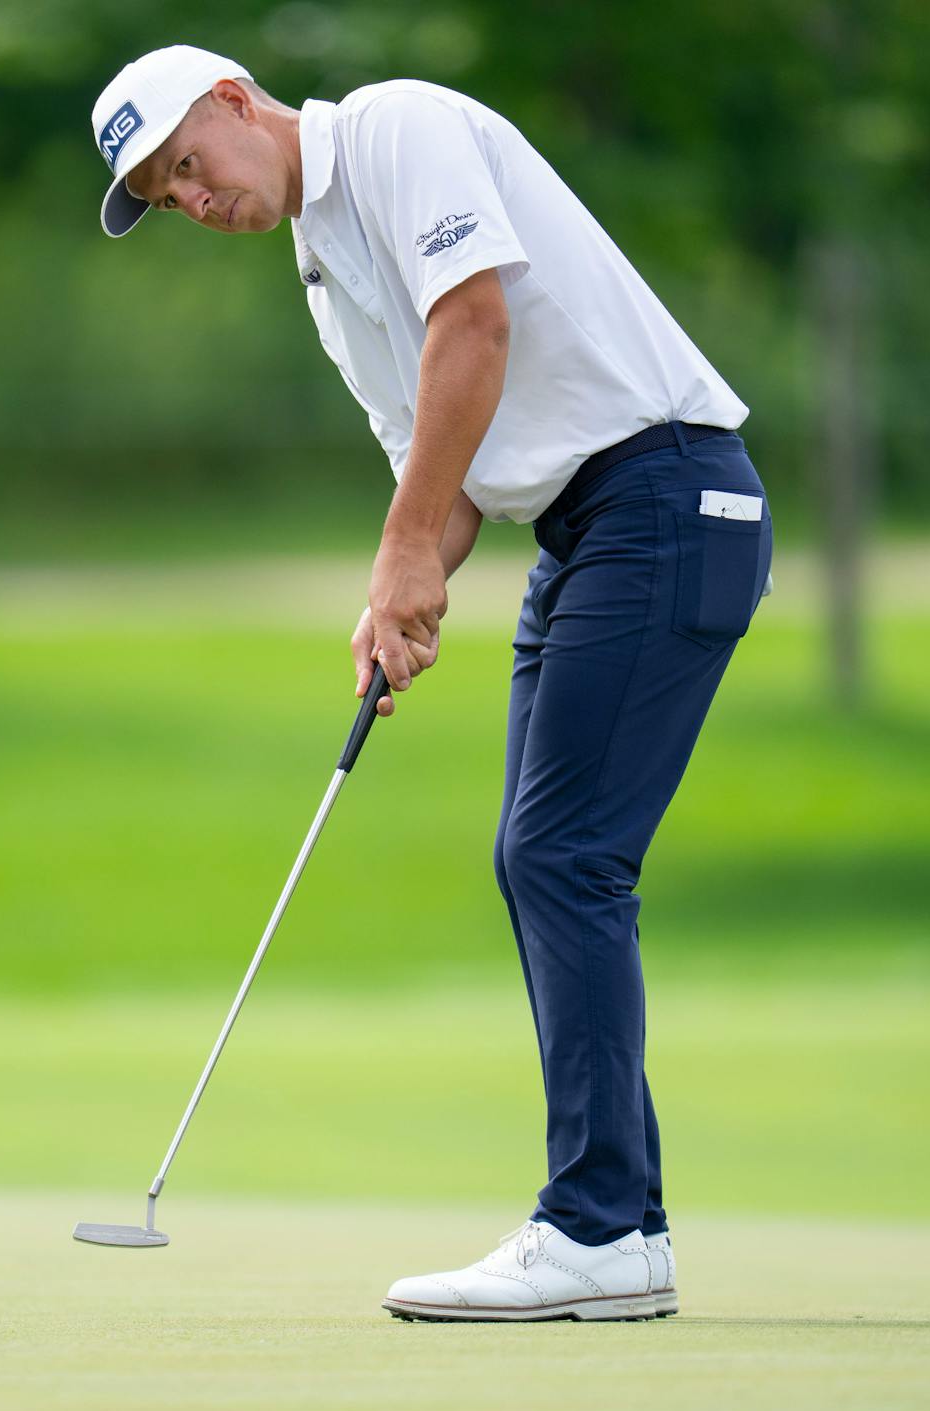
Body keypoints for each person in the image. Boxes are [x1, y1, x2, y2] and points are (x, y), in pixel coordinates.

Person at [90, 45, 772, 1323]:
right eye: (167, 197)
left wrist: (407, 550)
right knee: (543, 859)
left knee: (562, 856)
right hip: (588, 529)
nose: (192, 198)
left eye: (186, 164)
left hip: (669, 495)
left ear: (235, 102)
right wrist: (397, 594)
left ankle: (596, 1227)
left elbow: (476, 326)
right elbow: (438, 477)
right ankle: (627, 1227)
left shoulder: (397, 130)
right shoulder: (321, 276)